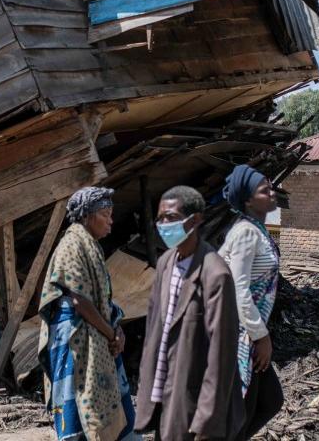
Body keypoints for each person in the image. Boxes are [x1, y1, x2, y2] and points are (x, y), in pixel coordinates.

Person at [135, 186, 244, 441]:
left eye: (170, 218)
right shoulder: (165, 263)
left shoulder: (215, 274)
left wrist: (207, 420)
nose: (163, 225)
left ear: (195, 221)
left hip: (194, 400)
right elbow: (153, 333)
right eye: (160, 218)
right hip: (164, 393)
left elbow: (222, 355)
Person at [37, 186, 137, 441]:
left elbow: (101, 300)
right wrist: (111, 333)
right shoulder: (72, 244)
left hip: (98, 337)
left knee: (113, 411)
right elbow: (78, 300)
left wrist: (117, 331)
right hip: (77, 343)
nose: (111, 221)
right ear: (87, 215)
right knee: (79, 410)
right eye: (105, 214)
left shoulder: (91, 246)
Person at [218, 165, 285, 438]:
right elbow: (239, 289)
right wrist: (261, 337)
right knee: (244, 411)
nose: (272, 192)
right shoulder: (245, 232)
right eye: (264, 189)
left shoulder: (258, 230)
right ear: (247, 200)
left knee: (269, 402)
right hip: (240, 336)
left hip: (248, 332)